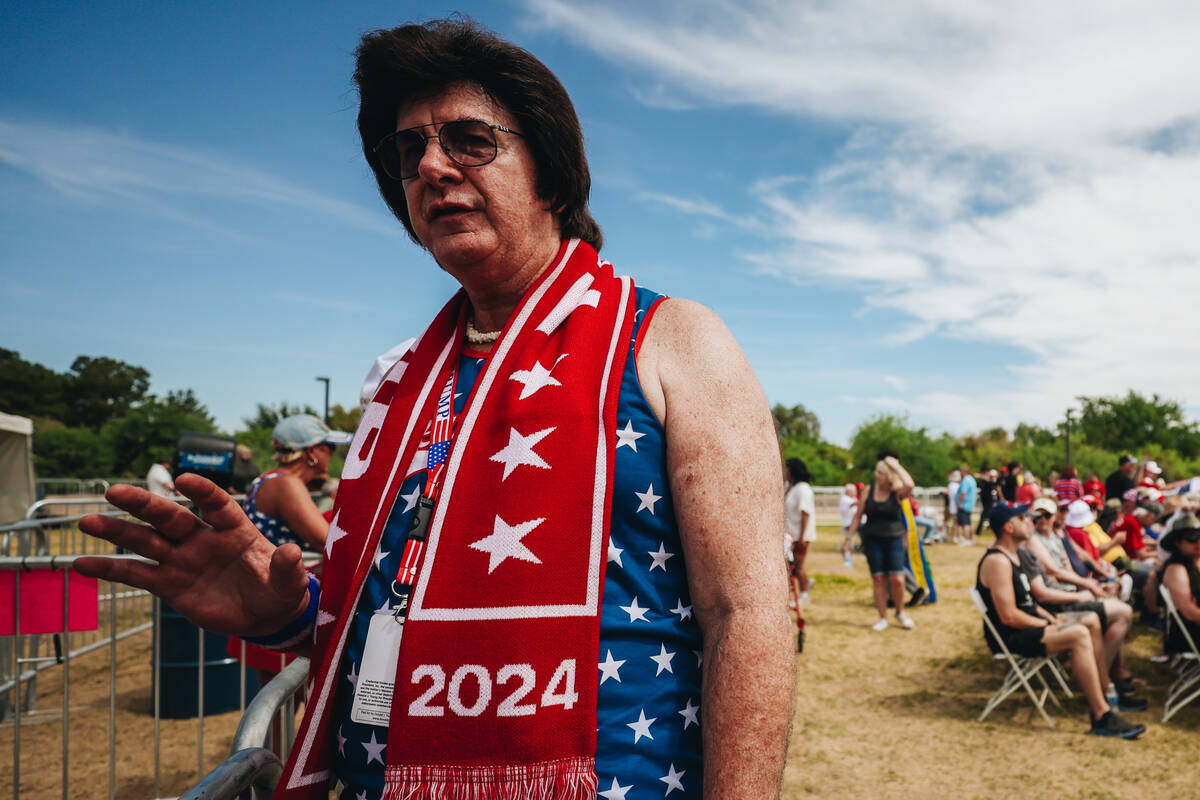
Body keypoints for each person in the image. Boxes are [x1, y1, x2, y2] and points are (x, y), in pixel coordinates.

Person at [75, 18, 792, 800]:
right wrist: (287, 615)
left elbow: (746, 613)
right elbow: (398, 594)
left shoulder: (671, 340)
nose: (431, 165)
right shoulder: (399, 383)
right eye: (407, 150)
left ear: (548, 174)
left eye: (469, 139)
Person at [975, 503, 1145, 738]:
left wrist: (1050, 618)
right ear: (1008, 527)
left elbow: (1030, 604)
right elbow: (1009, 616)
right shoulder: (998, 562)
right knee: (1078, 634)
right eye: (1023, 517)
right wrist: (1049, 624)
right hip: (1014, 635)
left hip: (1032, 624)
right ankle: (1101, 714)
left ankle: (1105, 690)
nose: (1029, 521)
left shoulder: (1013, 557)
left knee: (1092, 619)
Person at [846, 455, 916, 631]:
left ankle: (900, 612)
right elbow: (857, 516)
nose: (878, 476)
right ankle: (882, 617)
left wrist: (896, 466)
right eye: (877, 472)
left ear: (891, 476)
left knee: (898, 579)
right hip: (872, 540)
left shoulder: (897, 492)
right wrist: (848, 538)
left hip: (894, 539)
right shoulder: (869, 491)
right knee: (878, 579)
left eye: (883, 473)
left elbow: (910, 485)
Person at [1159, 512, 1200, 655]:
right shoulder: (1176, 569)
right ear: (1177, 543)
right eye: (1192, 538)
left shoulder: (1197, 562)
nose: (1198, 542)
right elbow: (1190, 613)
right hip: (1190, 635)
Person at [784, 458, 816, 605]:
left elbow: (805, 513)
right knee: (792, 567)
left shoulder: (803, 489)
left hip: (800, 535)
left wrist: (802, 537)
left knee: (798, 566)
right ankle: (805, 586)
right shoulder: (791, 487)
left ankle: (804, 594)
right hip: (792, 535)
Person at [954, 465, 977, 546]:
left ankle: (967, 540)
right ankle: (970, 539)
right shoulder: (972, 479)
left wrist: (959, 503)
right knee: (969, 523)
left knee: (965, 524)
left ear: (963, 472)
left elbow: (963, 493)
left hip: (964, 505)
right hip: (969, 505)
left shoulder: (966, 480)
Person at [838, 482, 858, 567]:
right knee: (848, 542)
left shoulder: (850, 498)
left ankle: (848, 557)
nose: (855, 492)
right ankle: (847, 557)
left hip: (853, 523)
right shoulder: (845, 499)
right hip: (849, 523)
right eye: (854, 491)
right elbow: (852, 505)